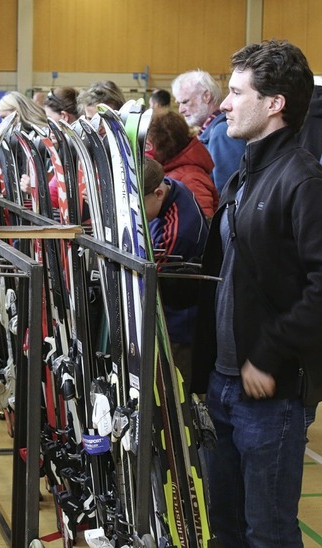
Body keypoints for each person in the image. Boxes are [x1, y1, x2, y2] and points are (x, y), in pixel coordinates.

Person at [192, 40, 322, 547]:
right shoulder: (246, 173)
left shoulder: (302, 180)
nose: (224, 103)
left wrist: (268, 355)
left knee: (266, 532)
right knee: (224, 527)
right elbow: (232, 270)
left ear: (274, 104)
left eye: (236, 92)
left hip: (270, 393)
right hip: (222, 384)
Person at [142, 157, 208, 386]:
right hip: (171, 310)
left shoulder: (178, 231)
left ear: (158, 194)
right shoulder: (169, 185)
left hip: (178, 322)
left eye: (139, 207)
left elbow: (152, 278)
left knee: (174, 386)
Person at [172, 70, 245, 193]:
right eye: (179, 103)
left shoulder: (222, 131)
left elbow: (227, 190)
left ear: (206, 96)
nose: (180, 110)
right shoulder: (210, 131)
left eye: (185, 102)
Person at [146, 109, 218, 218]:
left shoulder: (190, 178)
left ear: (165, 144)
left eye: (147, 146)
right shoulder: (171, 169)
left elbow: (203, 223)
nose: (144, 152)